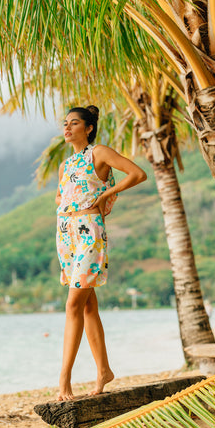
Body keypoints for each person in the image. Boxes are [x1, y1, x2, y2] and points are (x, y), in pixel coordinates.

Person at [55, 105, 147, 401]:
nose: (67, 128)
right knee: (87, 307)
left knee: (72, 306)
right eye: (65, 123)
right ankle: (104, 370)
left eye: (74, 123)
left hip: (90, 235)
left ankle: (64, 381)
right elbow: (60, 195)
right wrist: (66, 205)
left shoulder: (99, 153)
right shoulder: (65, 165)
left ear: (89, 128)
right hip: (66, 236)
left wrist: (106, 194)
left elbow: (137, 173)